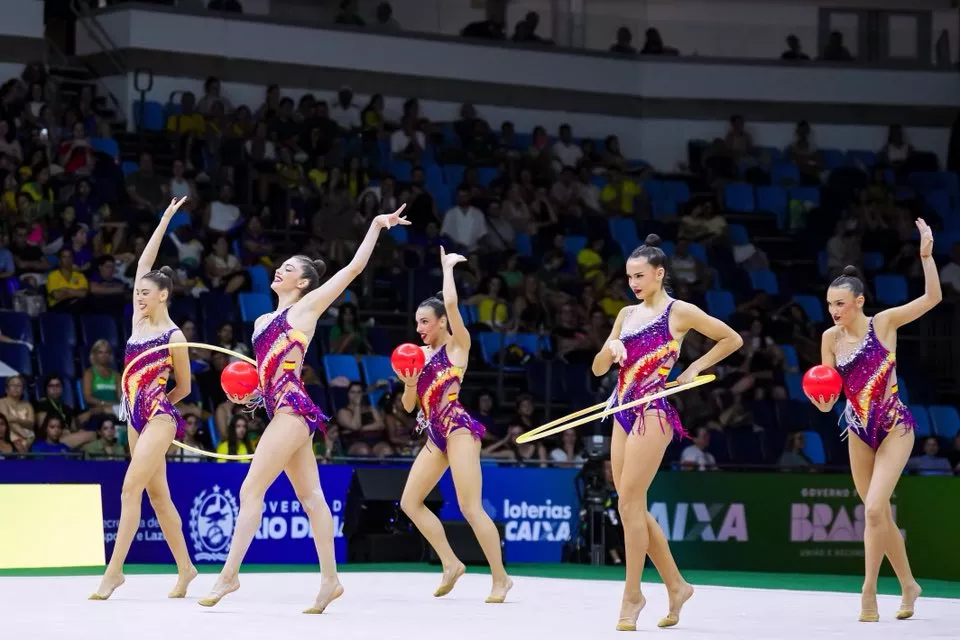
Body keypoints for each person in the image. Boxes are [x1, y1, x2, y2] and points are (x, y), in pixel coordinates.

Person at [199, 204, 409, 612]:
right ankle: (330, 581)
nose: (279, 270)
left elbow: (352, 269)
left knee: (250, 489)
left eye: (289, 268)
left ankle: (229, 576)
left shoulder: (306, 310)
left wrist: (375, 226)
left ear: (305, 282)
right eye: (280, 266)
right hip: (279, 407)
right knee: (312, 497)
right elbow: (266, 376)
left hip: (294, 409)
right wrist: (250, 395)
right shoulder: (261, 322)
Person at [591, 234, 742, 631]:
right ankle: (676, 585)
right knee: (630, 504)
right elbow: (596, 369)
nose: (634, 283)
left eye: (640, 276)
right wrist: (612, 351)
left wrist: (694, 368)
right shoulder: (625, 315)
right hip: (621, 410)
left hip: (652, 413)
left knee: (628, 505)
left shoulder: (680, 312)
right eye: (629, 277)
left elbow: (732, 338)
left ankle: (632, 594)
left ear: (659, 274)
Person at [807, 219, 938, 622]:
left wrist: (926, 257)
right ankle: (909, 585)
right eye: (829, 305)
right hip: (859, 429)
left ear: (859, 302)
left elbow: (933, 298)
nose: (834, 312)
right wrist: (821, 401)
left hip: (894, 424)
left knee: (876, 508)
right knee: (876, 514)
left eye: (840, 304)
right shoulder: (830, 339)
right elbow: (828, 397)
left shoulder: (883, 324)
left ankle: (868, 592)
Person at [91, 197, 197, 601]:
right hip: (133, 416)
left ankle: (113, 572)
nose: (138, 295)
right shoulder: (137, 321)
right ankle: (186, 568)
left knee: (129, 487)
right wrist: (165, 218)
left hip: (158, 417)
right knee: (157, 494)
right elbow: (143, 263)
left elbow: (184, 387)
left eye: (146, 293)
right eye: (137, 291)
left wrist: (157, 403)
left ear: (163, 296)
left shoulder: (174, 336)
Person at [393, 246, 513, 603]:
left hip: (459, 430)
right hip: (434, 434)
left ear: (441, 322)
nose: (419, 329)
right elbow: (407, 405)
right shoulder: (419, 356)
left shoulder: (458, 346)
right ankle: (451, 563)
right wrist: (410, 382)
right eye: (416, 323)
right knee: (409, 502)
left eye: (425, 322)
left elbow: (451, 304)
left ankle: (500, 578)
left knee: (469, 506)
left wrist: (447, 269)